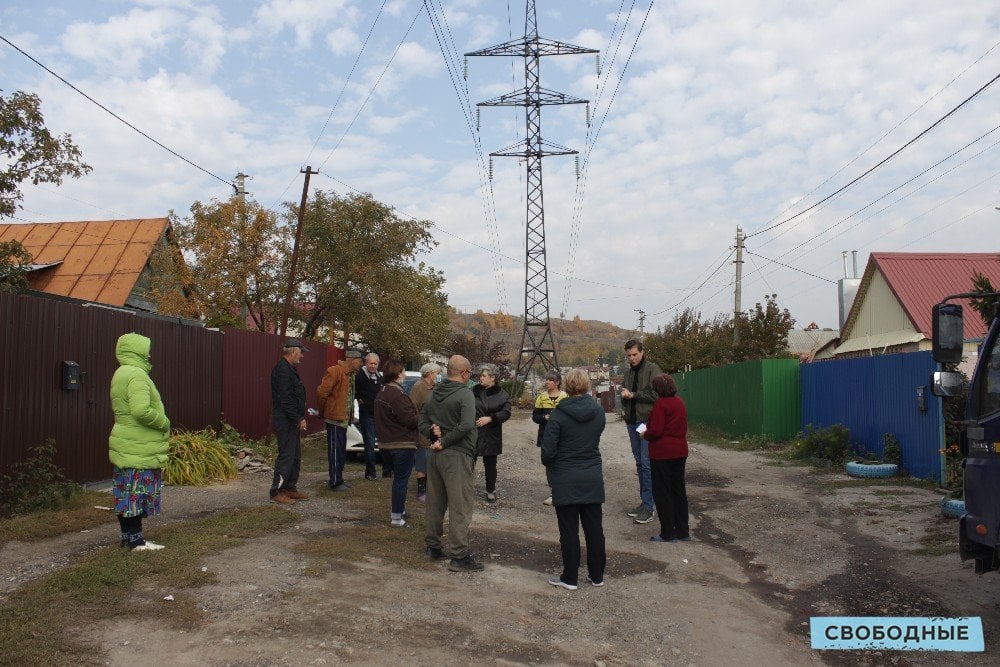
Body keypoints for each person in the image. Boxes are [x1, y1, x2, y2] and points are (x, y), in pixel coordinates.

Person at [540, 368, 607, 590]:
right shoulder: (598, 412)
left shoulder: (558, 414)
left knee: (569, 530)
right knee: (594, 528)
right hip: (591, 474)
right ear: (586, 385)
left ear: (566, 386)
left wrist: (553, 466)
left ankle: (570, 577)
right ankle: (597, 575)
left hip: (565, 476)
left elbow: (547, 453)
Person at [419, 355, 483, 572]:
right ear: (464, 373)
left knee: (435, 503)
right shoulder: (465, 393)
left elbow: (422, 421)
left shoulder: (435, 392)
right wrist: (444, 441)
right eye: (470, 372)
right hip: (456, 455)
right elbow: (467, 425)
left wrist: (433, 434)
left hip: (435, 455)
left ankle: (433, 547)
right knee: (460, 505)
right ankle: (459, 556)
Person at [109, 332, 170, 551]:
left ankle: (129, 538)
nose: (150, 354)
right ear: (137, 351)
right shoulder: (137, 375)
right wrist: (163, 422)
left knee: (125, 492)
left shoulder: (121, 372)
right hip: (138, 443)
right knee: (135, 492)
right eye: (147, 349)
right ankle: (136, 542)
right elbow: (141, 410)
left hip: (127, 441)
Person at [642, 374, 690, 542]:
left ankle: (668, 533)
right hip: (680, 451)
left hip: (662, 454)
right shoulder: (680, 402)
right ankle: (683, 531)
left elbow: (655, 430)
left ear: (657, 390)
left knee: (663, 492)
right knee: (679, 491)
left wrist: (644, 433)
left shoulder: (660, 405)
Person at [620, 339, 662, 525]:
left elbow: (657, 394)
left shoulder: (653, 369)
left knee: (646, 464)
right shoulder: (628, 372)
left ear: (642, 352)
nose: (632, 358)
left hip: (647, 422)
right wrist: (624, 400)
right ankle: (644, 503)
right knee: (639, 463)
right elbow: (624, 393)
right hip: (632, 422)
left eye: (635, 354)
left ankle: (649, 507)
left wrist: (633, 395)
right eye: (629, 355)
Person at [374, 360, 419, 527]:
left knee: (399, 480)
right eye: (404, 370)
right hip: (401, 443)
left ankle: (400, 510)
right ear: (398, 373)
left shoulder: (382, 392)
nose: (405, 373)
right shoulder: (396, 394)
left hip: (387, 443)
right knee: (401, 480)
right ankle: (397, 517)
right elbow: (410, 420)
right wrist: (423, 417)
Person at [269, 339, 310, 505]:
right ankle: (276, 491)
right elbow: (285, 399)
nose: (302, 356)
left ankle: (289, 488)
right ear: (294, 352)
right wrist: (298, 418)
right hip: (285, 419)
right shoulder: (282, 370)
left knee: (294, 456)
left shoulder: (289, 369)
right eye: (301, 352)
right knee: (286, 455)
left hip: (290, 419)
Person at [317, 348, 364, 491]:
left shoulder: (351, 375)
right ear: (352, 359)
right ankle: (335, 482)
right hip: (335, 419)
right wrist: (323, 411)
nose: (361, 364)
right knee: (335, 451)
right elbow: (321, 392)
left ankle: (339, 478)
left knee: (340, 451)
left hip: (343, 420)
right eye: (360, 361)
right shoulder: (335, 371)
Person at [472, 364, 512, 503]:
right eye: (480, 376)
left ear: (493, 378)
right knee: (469, 462)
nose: (480, 378)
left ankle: (490, 490)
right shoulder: (474, 391)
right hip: (474, 432)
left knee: (490, 464)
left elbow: (506, 413)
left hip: (491, 434)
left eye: (484, 376)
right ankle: (464, 488)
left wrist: (490, 418)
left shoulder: (502, 394)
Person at [532, 369, 567, 505]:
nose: (547, 382)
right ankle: (554, 493)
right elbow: (535, 417)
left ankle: (563, 492)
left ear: (557, 382)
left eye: (550, 380)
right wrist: (544, 417)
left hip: (562, 437)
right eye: (546, 379)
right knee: (549, 464)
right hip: (546, 437)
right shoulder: (541, 397)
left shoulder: (565, 397)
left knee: (562, 463)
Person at [408, 362, 441, 502]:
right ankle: (421, 490)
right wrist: (420, 423)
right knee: (422, 459)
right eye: (436, 373)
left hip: (434, 428)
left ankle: (430, 488)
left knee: (432, 459)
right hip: (422, 428)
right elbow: (412, 407)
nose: (438, 376)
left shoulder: (434, 388)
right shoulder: (418, 387)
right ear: (429, 373)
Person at [355, 352, 385, 480]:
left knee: (384, 443)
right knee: (370, 444)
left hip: (379, 414)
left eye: (375, 364)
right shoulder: (359, 376)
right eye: (370, 363)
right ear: (366, 363)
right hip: (366, 414)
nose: (373, 366)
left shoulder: (379, 377)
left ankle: (387, 470)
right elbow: (353, 391)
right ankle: (370, 472)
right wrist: (359, 398)